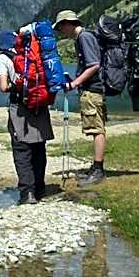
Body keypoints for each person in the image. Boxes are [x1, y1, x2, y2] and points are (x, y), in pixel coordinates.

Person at [0, 30, 54, 204]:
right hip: (40, 105)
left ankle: (27, 193)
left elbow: (3, 87)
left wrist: (17, 86)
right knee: (39, 147)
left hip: (19, 107)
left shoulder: (4, 59)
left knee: (22, 149)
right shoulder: (36, 54)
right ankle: (40, 189)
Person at [54, 10, 107, 185]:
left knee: (97, 130)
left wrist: (74, 83)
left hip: (92, 90)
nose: (61, 32)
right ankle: (95, 167)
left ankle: (98, 170)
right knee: (95, 128)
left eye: (61, 28)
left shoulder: (84, 37)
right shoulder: (82, 38)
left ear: (68, 23)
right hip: (90, 89)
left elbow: (94, 65)